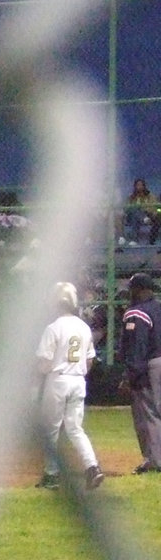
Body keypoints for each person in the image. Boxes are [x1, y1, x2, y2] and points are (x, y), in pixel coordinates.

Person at [35, 282, 104, 490]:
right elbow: (90, 360)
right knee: (75, 428)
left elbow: (44, 363)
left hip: (58, 380)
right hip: (78, 380)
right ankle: (93, 468)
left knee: (51, 430)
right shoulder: (83, 327)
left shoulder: (53, 327)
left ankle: (51, 475)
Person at [118, 272, 161, 474]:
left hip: (150, 365)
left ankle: (154, 460)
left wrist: (130, 376)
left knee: (147, 414)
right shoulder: (158, 307)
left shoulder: (137, 312)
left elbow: (137, 346)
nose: (130, 294)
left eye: (133, 290)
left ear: (140, 290)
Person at [122, 178, 159, 246]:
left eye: (141, 185)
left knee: (136, 216)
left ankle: (135, 240)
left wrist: (144, 209)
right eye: (137, 185)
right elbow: (126, 208)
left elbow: (155, 208)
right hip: (132, 216)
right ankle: (143, 218)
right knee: (135, 210)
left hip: (147, 215)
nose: (139, 187)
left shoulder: (150, 196)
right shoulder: (131, 197)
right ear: (135, 186)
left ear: (144, 186)